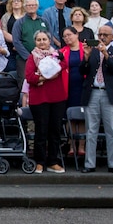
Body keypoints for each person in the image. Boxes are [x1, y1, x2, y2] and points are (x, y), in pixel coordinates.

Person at [80, 24, 113, 174]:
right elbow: (82, 71)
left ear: (112, 37)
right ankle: (89, 163)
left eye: (105, 35)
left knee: (111, 130)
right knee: (91, 130)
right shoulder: (91, 52)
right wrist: (86, 57)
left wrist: (105, 54)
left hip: (109, 94)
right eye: (100, 34)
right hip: (92, 92)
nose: (102, 37)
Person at [25, 30, 68, 173]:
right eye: (39, 40)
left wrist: (47, 73)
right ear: (35, 42)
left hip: (57, 98)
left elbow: (64, 65)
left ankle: (53, 161)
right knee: (41, 131)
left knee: (55, 131)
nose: (42, 42)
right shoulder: (32, 57)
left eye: (44, 39)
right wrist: (47, 76)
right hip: (39, 99)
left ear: (49, 41)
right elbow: (30, 77)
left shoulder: (57, 55)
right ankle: (40, 162)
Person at [60, 26, 87, 156]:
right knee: (70, 117)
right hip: (68, 87)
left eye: (69, 34)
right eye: (65, 36)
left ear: (77, 35)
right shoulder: (62, 52)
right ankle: (71, 145)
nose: (67, 38)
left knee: (82, 117)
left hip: (83, 86)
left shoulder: (86, 48)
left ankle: (81, 146)